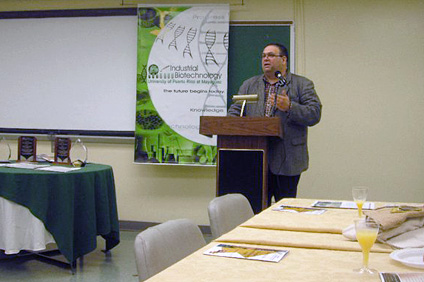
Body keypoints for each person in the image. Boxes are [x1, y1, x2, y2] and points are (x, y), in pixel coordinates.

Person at [227, 43, 322, 205]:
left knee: (285, 210)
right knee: (255, 208)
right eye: (263, 56)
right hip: (254, 158)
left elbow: (314, 113)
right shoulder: (249, 84)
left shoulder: (302, 84)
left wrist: (290, 107)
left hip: (287, 159)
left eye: (271, 55)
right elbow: (236, 111)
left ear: (283, 60)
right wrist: (226, 124)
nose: (266, 59)